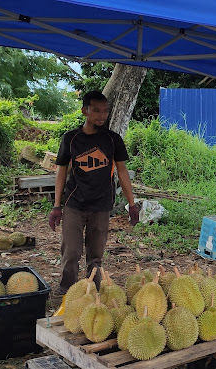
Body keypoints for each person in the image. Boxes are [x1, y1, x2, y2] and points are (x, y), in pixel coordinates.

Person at [48, 91, 139, 294]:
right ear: (84, 111)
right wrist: (56, 206)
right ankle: (67, 292)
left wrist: (132, 204)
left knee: (96, 256)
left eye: (105, 111)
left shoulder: (112, 139)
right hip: (74, 204)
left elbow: (122, 172)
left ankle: (94, 293)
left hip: (101, 205)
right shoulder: (71, 139)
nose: (102, 115)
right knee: (71, 252)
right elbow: (61, 172)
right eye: (96, 110)